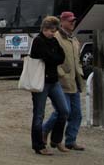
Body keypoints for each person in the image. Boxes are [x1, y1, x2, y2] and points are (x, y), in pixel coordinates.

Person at [43, 12, 86, 151]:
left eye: (73, 20)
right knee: (62, 112)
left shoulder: (73, 39)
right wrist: (61, 74)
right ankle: (45, 131)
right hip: (62, 82)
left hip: (74, 81)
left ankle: (70, 140)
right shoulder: (56, 37)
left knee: (77, 114)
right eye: (70, 21)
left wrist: (79, 72)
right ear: (62, 22)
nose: (73, 23)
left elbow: (76, 59)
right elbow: (52, 59)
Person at [30, 16, 70, 155]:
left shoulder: (53, 40)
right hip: (41, 82)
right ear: (44, 29)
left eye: (54, 31)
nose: (52, 33)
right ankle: (38, 145)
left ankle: (56, 140)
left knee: (64, 110)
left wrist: (53, 58)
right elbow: (50, 57)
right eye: (50, 30)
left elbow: (61, 57)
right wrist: (54, 58)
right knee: (39, 114)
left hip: (53, 81)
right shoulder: (38, 41)